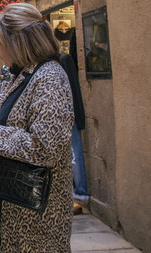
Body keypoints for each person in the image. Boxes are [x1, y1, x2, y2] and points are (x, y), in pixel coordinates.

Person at [0, 2, 74, 252]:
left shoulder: (50, 79)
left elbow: (44, 148)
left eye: (1, 42)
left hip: (32, 226)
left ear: (19, 42)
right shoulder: (20, 75)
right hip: (2, 212)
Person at [58, 52, 89, 214]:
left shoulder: (62, 60)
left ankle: (79, 195)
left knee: (74, 152)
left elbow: (73, 91)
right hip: (55, 117)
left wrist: (77, 117)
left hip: (66, 115)